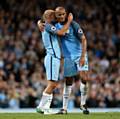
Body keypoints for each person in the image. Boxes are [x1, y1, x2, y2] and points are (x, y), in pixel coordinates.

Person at [38, 7, 89, 114]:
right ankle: (64, 108)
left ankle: (83, 104)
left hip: (79, 55)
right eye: (58, 15)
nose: (61, 16)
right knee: (68, 82)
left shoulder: (74, 24)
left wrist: (83, 56)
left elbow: (83, 39)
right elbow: (49, 26)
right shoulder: (54, 25)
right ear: (55, 16)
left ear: (66, 14)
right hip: (67, 57)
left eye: (63, 14)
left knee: (84, 78)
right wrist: (39, 22)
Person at [36, 9, 73, 114]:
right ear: (47, 16)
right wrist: (69, 21)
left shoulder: (47, 25)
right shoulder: (47, 25)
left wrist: (38, 22)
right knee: (52, 84)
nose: (54, 17)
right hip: (52, 57)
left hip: (54, 58)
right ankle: (40, 106)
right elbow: (61, 32)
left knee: (52, 84)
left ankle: (46, 108)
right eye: (52, 15)